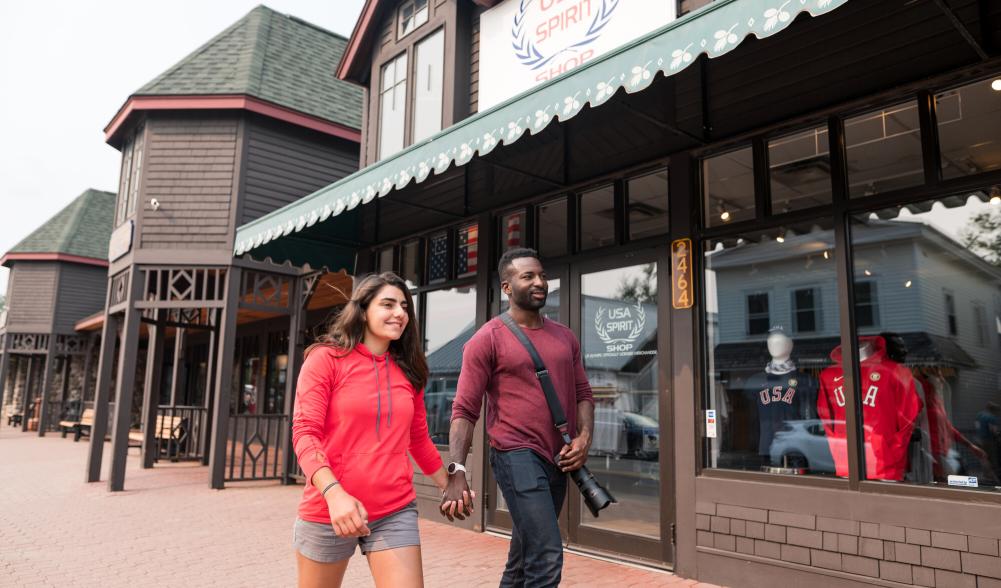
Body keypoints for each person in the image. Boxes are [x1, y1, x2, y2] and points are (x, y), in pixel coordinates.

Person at [443, 248, 594, 588]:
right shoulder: (487, 339)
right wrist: (457, 470)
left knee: (524, 554)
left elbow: (583, 394)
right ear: (507, 287)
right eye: (528, 276)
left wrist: (584, 438)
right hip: (516, 455)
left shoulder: (565, 337)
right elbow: (465, 410)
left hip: (559, 459)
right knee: (546, 552)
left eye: (542, 275)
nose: (540, 282)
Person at [291, 272, 451, 588]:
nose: (400, 313)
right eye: (388, 304)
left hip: (394, 509)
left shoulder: (410, 370)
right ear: (363, 310)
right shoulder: (326, 359)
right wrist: (334, 494)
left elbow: (418, 438)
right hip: (330, 509)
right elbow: (305, 433)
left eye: (405, 306)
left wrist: (450, 485)